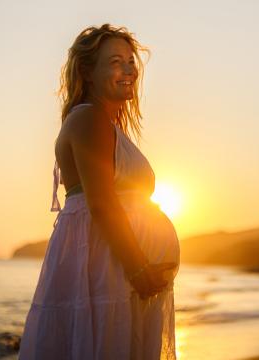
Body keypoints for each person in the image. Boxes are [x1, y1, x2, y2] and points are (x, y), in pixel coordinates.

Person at [19, 24, 180, 359]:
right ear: (88, 73)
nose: (128, 70)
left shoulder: (105, 123)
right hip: (108, 270)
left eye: (131, 62)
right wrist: (138, 270)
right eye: (115, 62)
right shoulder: (90, 119)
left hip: (115, 268)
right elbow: (103, 205)